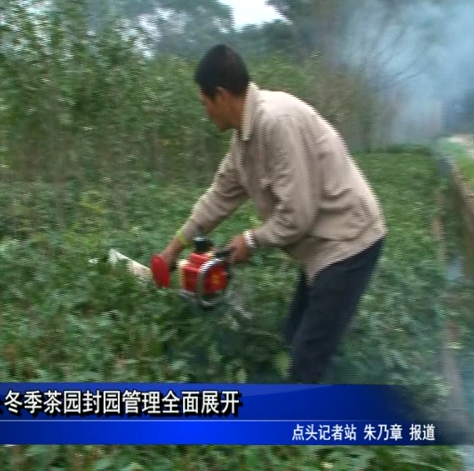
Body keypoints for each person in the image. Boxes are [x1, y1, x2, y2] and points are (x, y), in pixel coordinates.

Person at [159, 44, 387, 384]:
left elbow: (297, 216)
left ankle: (312, 431)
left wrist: (251, 240)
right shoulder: (244, 142)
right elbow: (218, 197)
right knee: (293, 338)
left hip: (349, 240)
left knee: (305, 360)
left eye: (204, 103)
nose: (205, 112)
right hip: (322, 248)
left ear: (220, 95)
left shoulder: (277, 123)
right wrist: (172, 251)